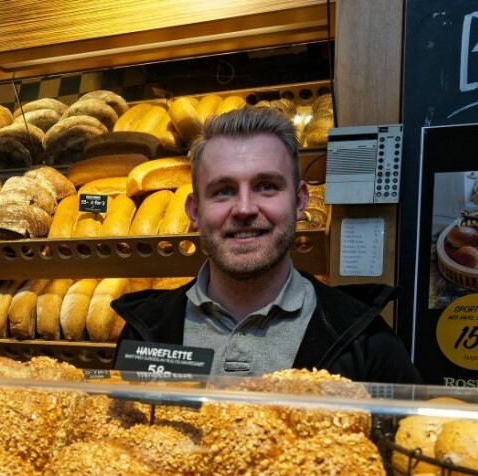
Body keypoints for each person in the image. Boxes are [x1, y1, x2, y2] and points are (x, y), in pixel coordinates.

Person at [112, 107, 421, 384]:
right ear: (194, 211)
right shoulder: (145, 332)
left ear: (300, 201)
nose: (244, 209)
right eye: (223, 191)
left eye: (266, 187)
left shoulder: (364, 341)